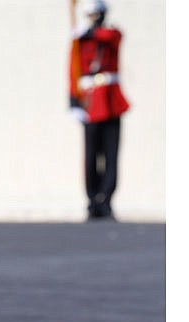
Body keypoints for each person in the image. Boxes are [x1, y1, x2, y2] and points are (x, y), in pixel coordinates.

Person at [69, 0, 130, 220]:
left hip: (111, 101)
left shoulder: (110, 33)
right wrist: (73, 101)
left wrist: (90, 32)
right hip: (91, 103)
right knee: (91, 154)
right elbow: (73, 70)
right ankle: (92, 198)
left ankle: (107, 198)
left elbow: (110, 38)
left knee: (111, 153)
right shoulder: (79, 40)